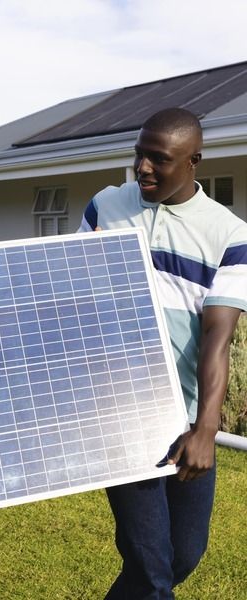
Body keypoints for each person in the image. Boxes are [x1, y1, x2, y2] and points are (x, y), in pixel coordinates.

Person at [77, 107, 247, 599]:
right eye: (139, 155)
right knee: (151, 569)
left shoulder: (230, 235)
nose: (143, 168)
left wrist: (205, 429)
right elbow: (71, 297)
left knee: (182, 556)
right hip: (119, 407)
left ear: (194, 161)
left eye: (159, 159)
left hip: (185, 414)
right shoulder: (105, 206)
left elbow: (217, 338)